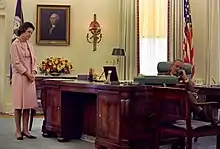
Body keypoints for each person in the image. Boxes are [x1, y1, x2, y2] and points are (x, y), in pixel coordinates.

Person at [168, 59, 217, 125]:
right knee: (187, 94)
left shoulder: (182, 77)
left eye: (180, 68)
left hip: (184, 100)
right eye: (176, 66)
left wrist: (186, 79)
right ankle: (204, 116)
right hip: (171, 98)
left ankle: (205, 117)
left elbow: (193, 89)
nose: (178, 69)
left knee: (195, 95)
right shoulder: (165, 76)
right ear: (172, 66)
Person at [10, 22, 38, 140]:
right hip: (20, 77)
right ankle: (18, 130)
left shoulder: (30, 45)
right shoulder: (15, 44)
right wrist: (27, 73)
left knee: (27, 105)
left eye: (31, 33)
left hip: (30, 79)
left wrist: (33, 73)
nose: (29, 35)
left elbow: (34, 60)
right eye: (28, 32)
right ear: (23, 30)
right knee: (18, 105)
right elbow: (16, 63)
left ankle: (26, 130)